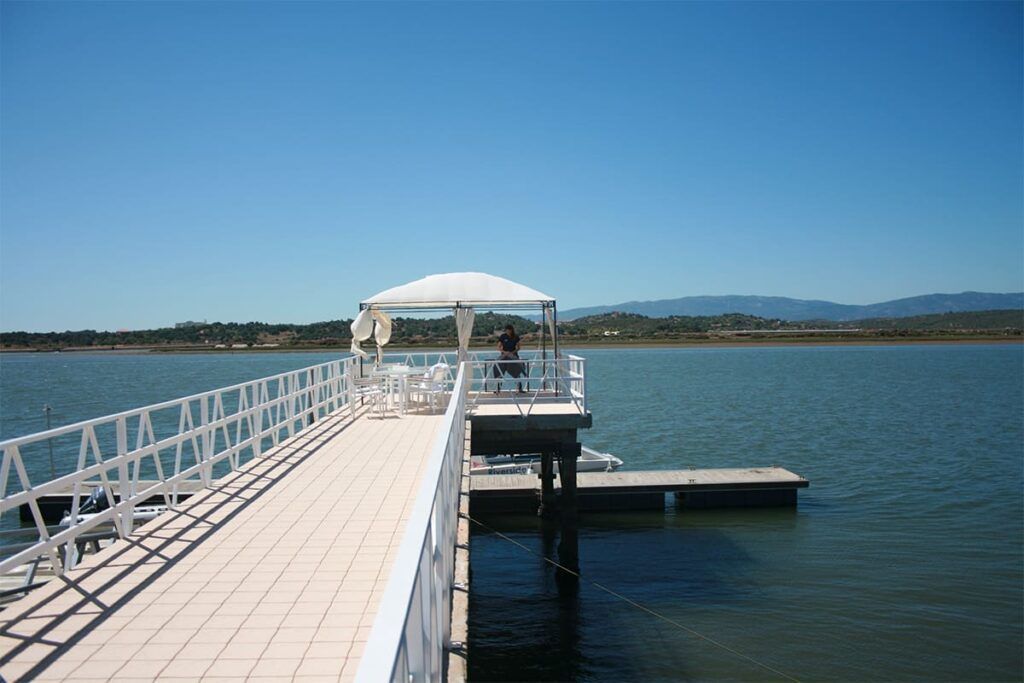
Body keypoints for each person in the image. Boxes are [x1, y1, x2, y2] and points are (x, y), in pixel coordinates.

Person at [494, 324, 525, 394]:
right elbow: (498, 347)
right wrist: (505, 352)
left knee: (517, 371)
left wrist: (512, 353)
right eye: (506, 330)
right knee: (500, 371)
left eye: (509, 330)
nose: (508, 331)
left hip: (513, 356)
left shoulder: (516, 337)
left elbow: (518, 348)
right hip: (504, 356)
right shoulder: (503, 336)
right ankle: (498, 389)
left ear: (511, 330)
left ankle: (519, 388)